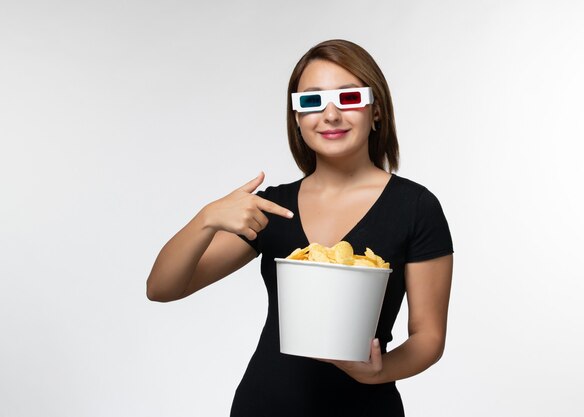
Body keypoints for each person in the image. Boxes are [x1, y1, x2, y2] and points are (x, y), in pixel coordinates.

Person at [146, 39, 454, 417]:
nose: (330, 115)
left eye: (350, 98)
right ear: (296, 118)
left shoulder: (416, 207)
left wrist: (379, 372)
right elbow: (162, 288)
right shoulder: (272, 208)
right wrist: (206, 218)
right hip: (264, 404)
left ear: (376, 111)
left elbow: (429, 337)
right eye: (311, 101)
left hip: (365, 408)